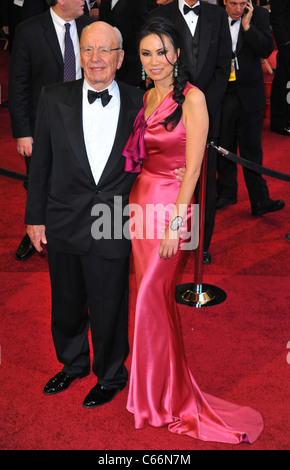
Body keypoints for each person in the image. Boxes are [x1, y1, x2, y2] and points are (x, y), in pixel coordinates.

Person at [123, 16, 264, 444]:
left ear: (178, 53)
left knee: (152, 295)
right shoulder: (146, 97)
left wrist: (176, 224)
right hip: (139, 202)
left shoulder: (194, 98)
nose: (155, 61)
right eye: (147, 54)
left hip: (170, 206)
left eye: (162, 51)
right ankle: (153, 388)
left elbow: (195, 167)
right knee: (151, 301)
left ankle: (164, 398)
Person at [24, 21, 145, 408]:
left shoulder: (139, 101)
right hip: (62, 217)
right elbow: (40, 163)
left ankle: (111, 374)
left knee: (110, 301)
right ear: (79, 55)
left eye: (105, 50)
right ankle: (73, 363)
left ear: (120, 58)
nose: (96, 59)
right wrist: (34, 217)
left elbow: (157, 157)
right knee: (67, 300)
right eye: (89, 50)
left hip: (113, 217)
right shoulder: (52, 96)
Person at [8, 0, 94, 262]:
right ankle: (34, 229)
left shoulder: (91, 27)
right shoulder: (29, 30)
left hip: (86, 119)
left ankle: (78, 229)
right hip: (41, 124)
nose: (85, 1)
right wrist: (23, 132)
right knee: (38, 179)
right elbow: (18, 84)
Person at [149, 0, 232, 264]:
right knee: (169, 178)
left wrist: (202, 107)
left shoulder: (217, 15)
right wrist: (175, 103)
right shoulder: (161, 13)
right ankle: (166, 234)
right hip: (168, 114)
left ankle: (201, 244)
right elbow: (154, 64)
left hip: (207, 111)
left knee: (204, 181)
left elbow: (223, 66)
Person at [216, 0, 285, 216]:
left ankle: (260, 201)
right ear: (224, 1)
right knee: (223, 146)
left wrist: (248, 27)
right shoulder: (214, 17)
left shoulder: (259, 17)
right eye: (233, 3)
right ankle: (226, 193)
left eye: (243, 3)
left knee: (252, 149)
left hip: (250, 92)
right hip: (223, 92)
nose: (238, 9)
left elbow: (266, 49)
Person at [98, 0, 149, 86]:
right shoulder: (105, 1)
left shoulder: (137, 2)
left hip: (130, 64)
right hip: (107, 61)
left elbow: (143, 30)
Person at [270, 0, 290, 136]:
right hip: (287, 42)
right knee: (284, 80)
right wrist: (285, 42)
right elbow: (277, 14)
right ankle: (279, 121)